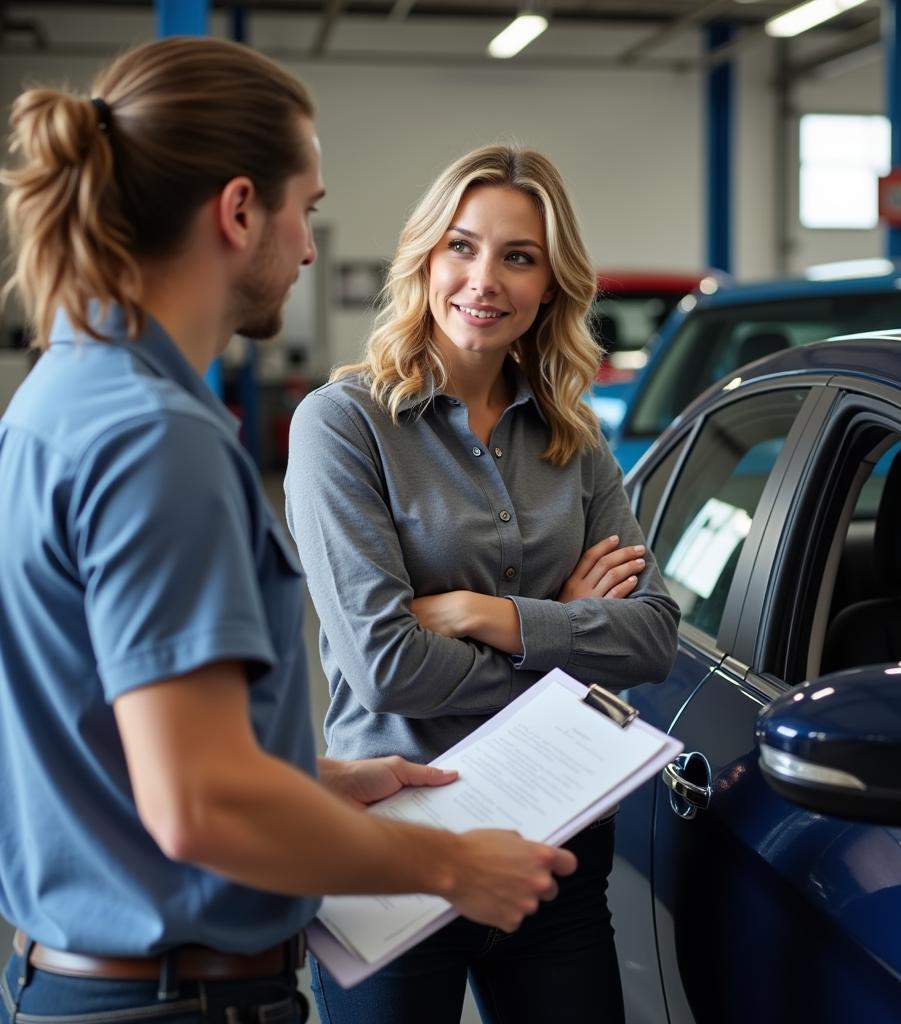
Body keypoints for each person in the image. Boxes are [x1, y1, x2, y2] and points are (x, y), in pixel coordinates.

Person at [0, 41, 578, 1024]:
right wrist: (449, 862)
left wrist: (313, 779)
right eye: (304, 209)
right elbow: (201, 804)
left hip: (91, 982)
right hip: (173, 1000)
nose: (310, 248)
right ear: (237, 211)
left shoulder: (61, 394)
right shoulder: (158, 438)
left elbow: (113, 741)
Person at [285, 144, 681, 1024]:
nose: (484, 279)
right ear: (425, 257)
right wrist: (566, 635)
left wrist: (485, 614)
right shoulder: (342, 427)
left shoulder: (574, 444)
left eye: (519, 256)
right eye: (461, 247)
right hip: (394, 846)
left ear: (551, 285)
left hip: (557, 848)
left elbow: (654, 637)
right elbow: (387, 666)